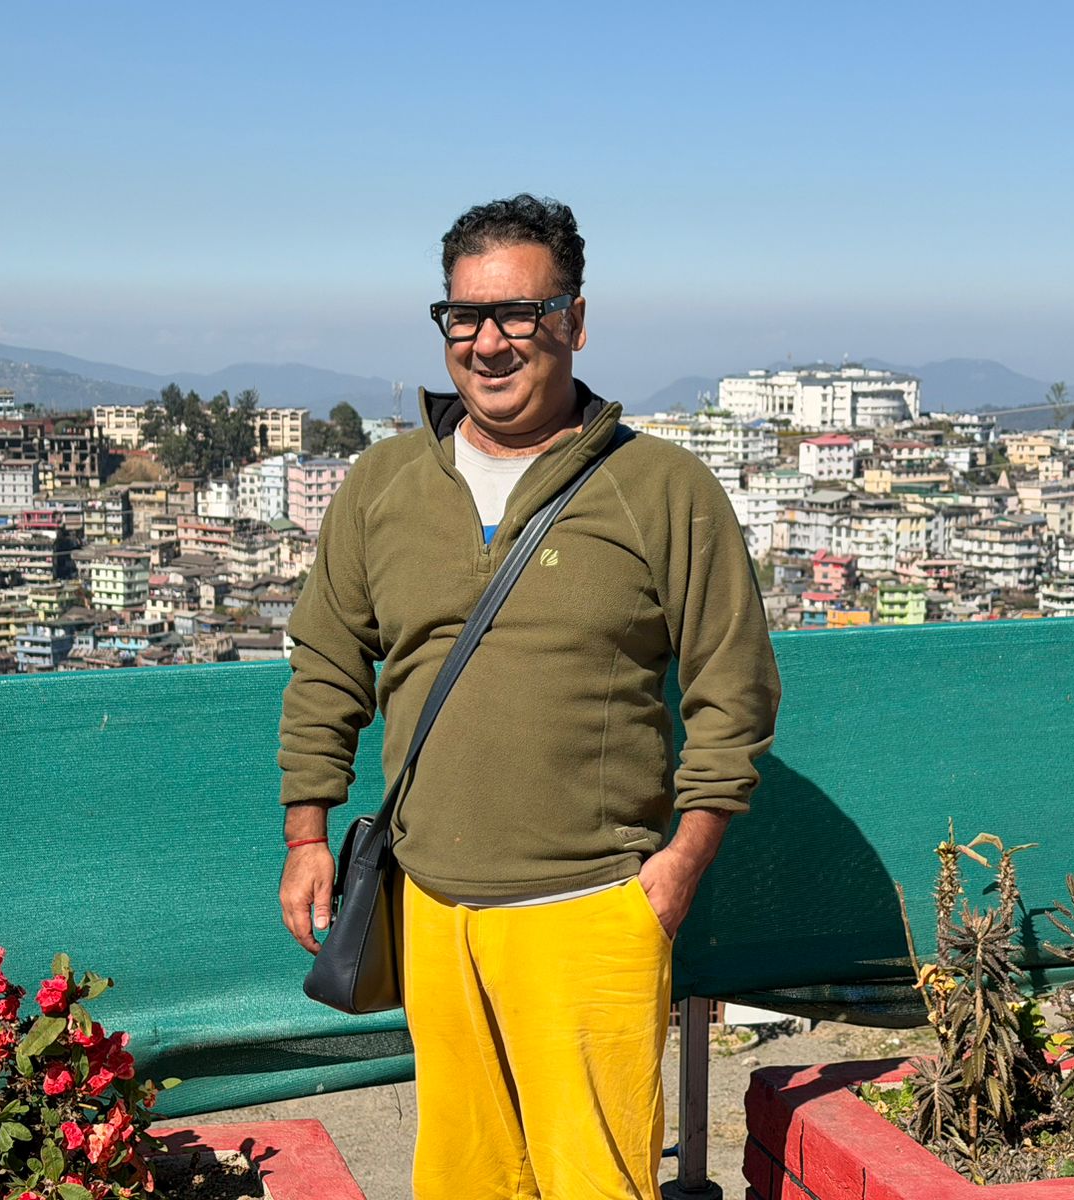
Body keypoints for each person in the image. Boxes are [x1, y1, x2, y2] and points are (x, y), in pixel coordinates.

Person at [277, 193, 780, 1199]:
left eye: (521, 312)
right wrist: (306, 832)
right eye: (465, 315)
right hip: (430, 906)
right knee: (464, 1181)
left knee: (595, 1183)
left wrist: (678, 869)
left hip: (591, 908)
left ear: (575, 322)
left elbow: (734, 688)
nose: (489, 341)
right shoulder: (383, 484)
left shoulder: (661, 488)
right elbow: (328, 659)